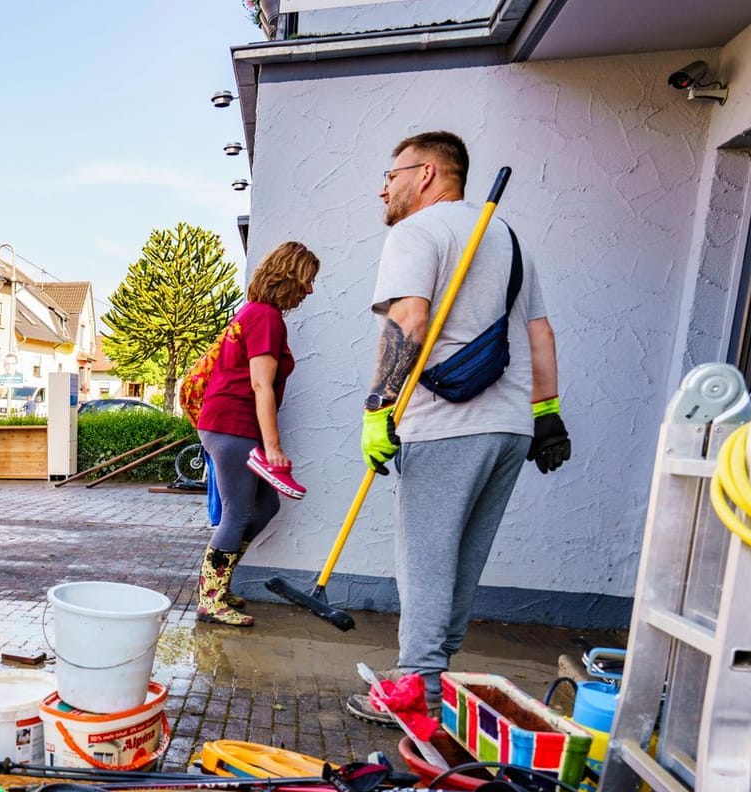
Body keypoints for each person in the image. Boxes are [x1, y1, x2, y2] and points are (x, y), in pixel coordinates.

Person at [344, 131, 572, 724]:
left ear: (425, 174)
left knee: (425, 558)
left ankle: (416, 690)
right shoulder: (505, 236)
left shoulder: (416, 232)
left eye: (391, 175)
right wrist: (546, 415)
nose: (383, 187)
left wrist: (377, 409)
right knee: (464, 558)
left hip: (447, 422)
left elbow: (408, 320)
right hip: (510, 425)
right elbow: (539, 332)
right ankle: (432, 674)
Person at [192, 241, 319, 627]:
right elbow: (261, 386)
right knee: (240, 510)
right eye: (307, 280)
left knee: (265, 507)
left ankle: (220, 585)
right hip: (232, 424)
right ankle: (209, 600)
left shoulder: (253, 313)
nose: (310, 290)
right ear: (289, 277)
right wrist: (274, 449)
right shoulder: (265, 317)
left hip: (231, 424)